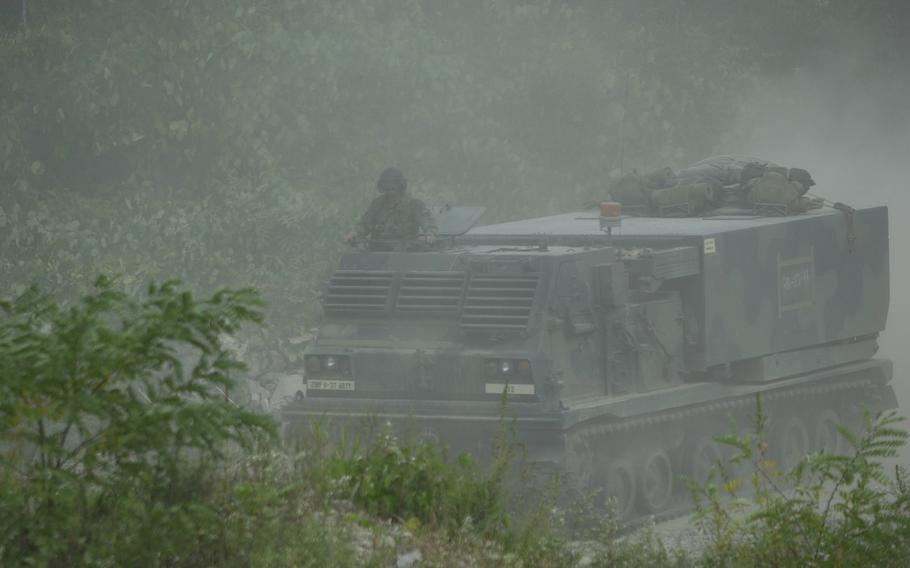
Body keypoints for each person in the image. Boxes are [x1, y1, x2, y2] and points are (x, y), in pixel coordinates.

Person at [344, 167, 438, 250]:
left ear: (400, 187)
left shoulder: (414, 204)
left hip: (405, 252)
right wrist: (354, 232)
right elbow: (365, 224)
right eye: (386, 189)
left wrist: (429, 234)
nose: (389, 193)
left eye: (392, 189)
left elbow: (428, 223)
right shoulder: (377, 204)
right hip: (378, 250)